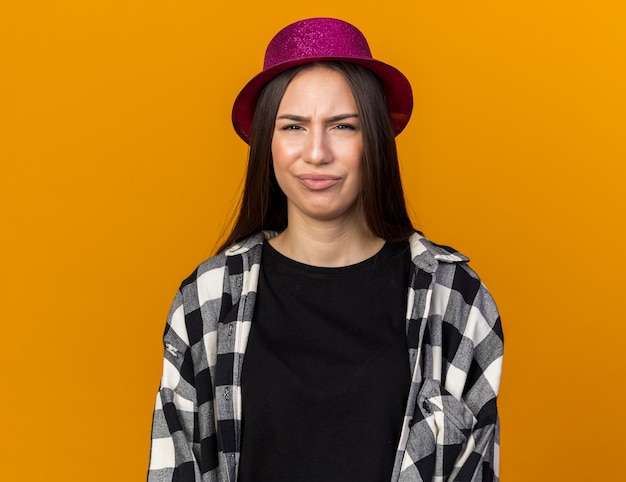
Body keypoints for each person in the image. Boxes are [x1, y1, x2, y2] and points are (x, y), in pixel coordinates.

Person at [148, 17, 503, 482]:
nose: (316, 152)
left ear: (374, 139)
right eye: (293, 126)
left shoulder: (454, 299)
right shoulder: (206, 300)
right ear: (267, 144)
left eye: (342, 126)